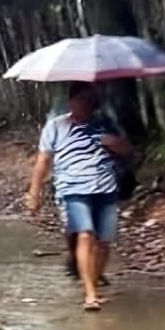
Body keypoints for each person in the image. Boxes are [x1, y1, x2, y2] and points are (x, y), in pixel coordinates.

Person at [27, 82, 133, 312]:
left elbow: (127, 149)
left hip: (105, 188)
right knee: (86, 235)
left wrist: (113, 143)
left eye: (90, 100)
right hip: (72, 189)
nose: (86, 105)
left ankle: (93, 282)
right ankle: (90, 294)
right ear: (71, 101)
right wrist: (34, 192)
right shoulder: (56, 126)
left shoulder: (105, 123)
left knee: (104, 242)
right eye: (82, 100)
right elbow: (43, 160)